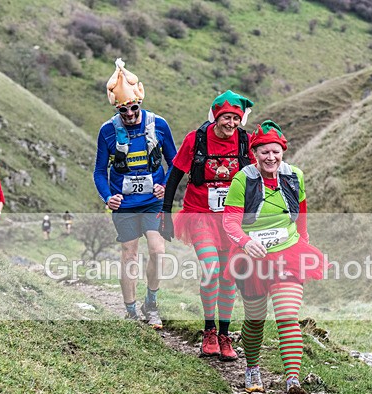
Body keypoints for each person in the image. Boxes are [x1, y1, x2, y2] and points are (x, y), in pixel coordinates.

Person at [222, 120, 326, 394]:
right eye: (265, 152)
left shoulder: (295, 176)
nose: (271, 158)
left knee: (287, 315)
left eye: (276, 152)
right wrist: (246, 242)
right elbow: (230, 221)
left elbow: (301, 215)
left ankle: (293, 380)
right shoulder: (242, 180)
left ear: (283, 152)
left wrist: (303, 244)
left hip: (287, 253)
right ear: (255, 154)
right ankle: (252, 367)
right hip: (251, 257)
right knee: (255, 319)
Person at [161, 90, 255, 361]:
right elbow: (175, 175)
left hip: (232, 220)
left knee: (228, 277)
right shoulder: (196, 139)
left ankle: (224, 335)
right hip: (199, 214)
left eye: (236, 118)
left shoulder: (245, 141)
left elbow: (261, 173)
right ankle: (209, 331)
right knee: (212, 269)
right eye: (226, 118)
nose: (231, 124)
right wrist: (165, 212)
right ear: (216, 117)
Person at [93, 58, 177, 328]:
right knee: (129, 253)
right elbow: (99, 171)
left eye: (133, 108)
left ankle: (151, 303)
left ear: (140, 103)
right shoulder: (107, 131)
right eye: (123, 110)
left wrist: (165, 185)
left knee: (157, 250)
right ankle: (130, 311)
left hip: (153, 201)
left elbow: (175, 162)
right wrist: (108, 197)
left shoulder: (158, 124)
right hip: (125, 204)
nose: (129, 114)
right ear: (116, 108)